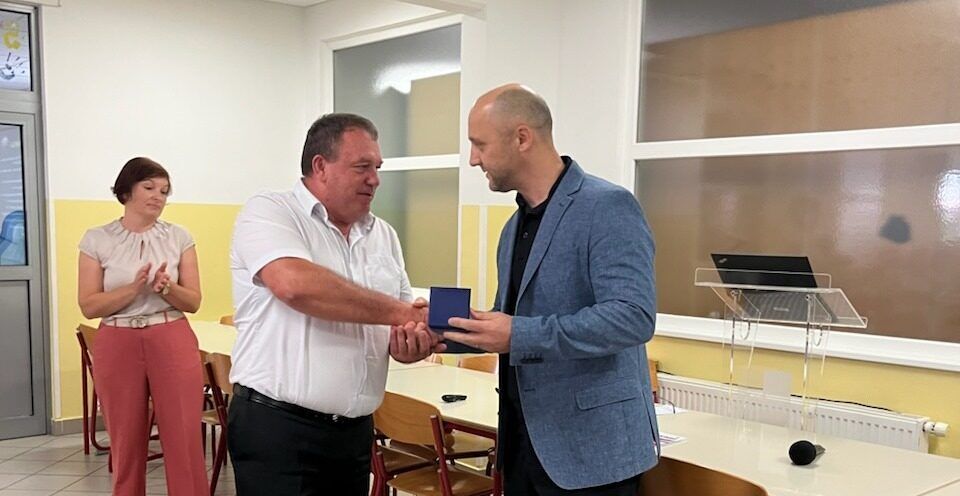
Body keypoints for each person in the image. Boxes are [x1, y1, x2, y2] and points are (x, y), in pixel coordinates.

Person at [445, 84, 660, 495]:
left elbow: (632, 317)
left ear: (522, 138)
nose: (473, 159)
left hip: (593, 456)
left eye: (480, 144)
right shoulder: (513, 227)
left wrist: (518, 333)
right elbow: (506, 325)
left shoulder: (608, 207)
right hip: (522, 449)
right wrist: (438, 334)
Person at [227, 113, 444, 495]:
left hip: (354, 435)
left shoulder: (383, 235)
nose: (374, 179)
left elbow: (397, 326)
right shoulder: (271, 211)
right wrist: (401, 313)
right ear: (320, 166)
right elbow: (295, 286)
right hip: (279, 431)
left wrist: (409, 343)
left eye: (377, 168)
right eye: (362, 167)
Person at [77, 157, 208, 496]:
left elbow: (194, 301)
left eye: (164, 191)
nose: (158, 196)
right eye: (149, 187)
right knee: (125, 440)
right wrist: (133, 289)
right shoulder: (96, 239)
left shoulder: (179, 237)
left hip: (171, 334)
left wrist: (167, 288)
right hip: (117, 338)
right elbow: (89, 305)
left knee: (184, 437)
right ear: (126, 191)